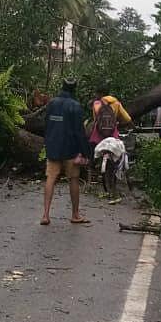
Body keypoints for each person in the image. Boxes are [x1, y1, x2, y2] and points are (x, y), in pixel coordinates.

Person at [41, 79, 90, 225]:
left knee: (50, 178)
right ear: (74, 90)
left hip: (53, 147)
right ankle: (75, 215)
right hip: (70, 149)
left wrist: (47, 143)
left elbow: (47, 124)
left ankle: (45, 215)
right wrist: (86, 152)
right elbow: (79, 132)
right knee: (73, 179)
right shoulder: (75, 106)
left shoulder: (51, 103)